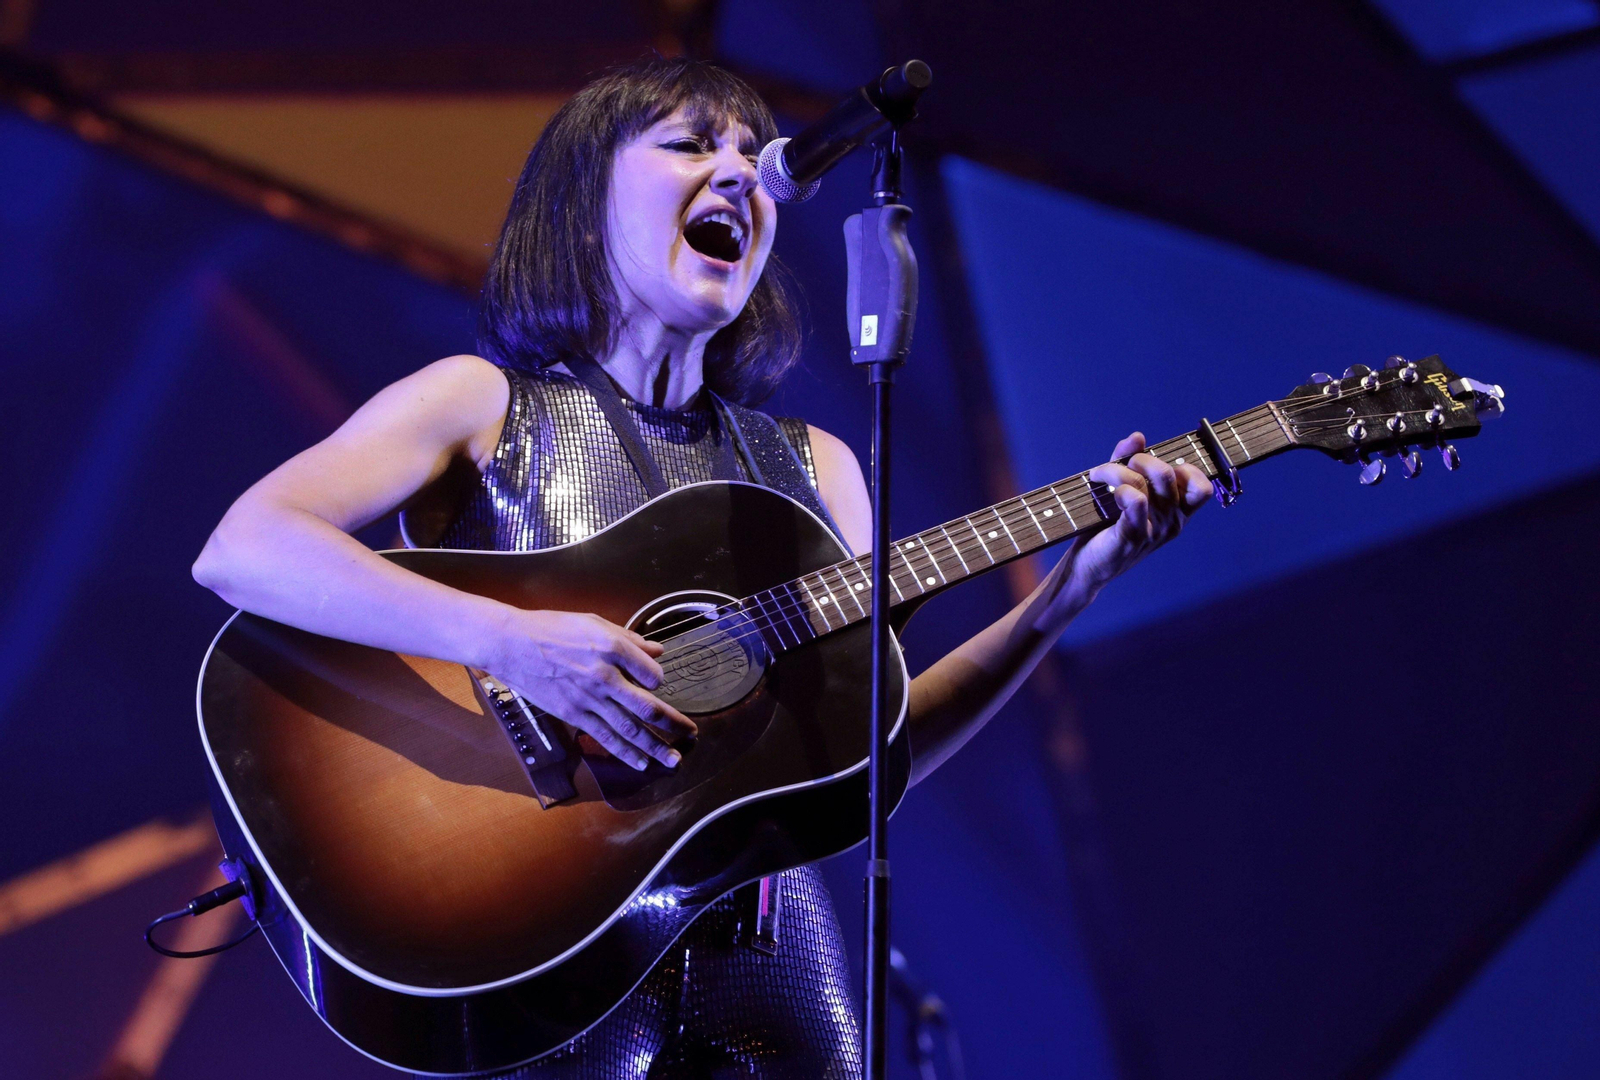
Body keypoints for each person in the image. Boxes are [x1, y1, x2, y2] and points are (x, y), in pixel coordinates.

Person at [192, 56, 1210, 1080]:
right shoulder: (479, 404)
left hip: (774, 962)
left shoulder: (819, 470)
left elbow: (871, 756)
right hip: (549, 944)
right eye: (689, 144)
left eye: (746, 153)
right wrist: (510, 641)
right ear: (584, 200)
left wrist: (1067, 594)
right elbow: (247, 545)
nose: (738, 175)